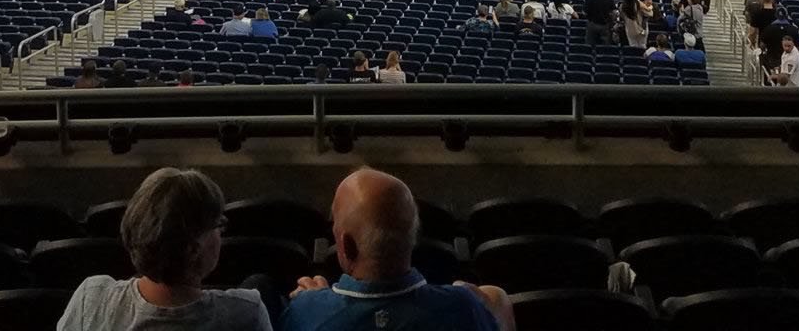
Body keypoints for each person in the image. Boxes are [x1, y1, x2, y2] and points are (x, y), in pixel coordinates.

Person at [281, 168, 512, 330]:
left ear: (347, 246)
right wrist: (466, 299)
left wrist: (315, 302)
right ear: (412, 237)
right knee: (496, 296)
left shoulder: (306, 310)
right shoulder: (463, 308)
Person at [57, 166, 272, 330]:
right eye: (217, 225)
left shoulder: (93, 298)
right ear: (192, 249)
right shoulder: (246, 313)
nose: (220, 232)